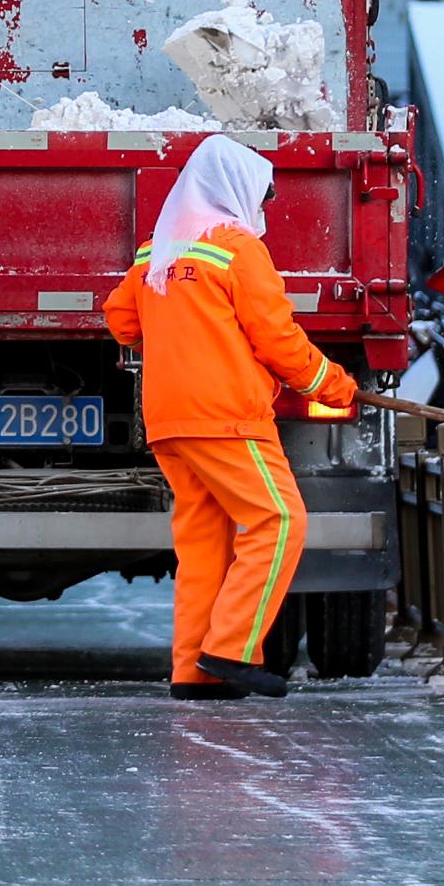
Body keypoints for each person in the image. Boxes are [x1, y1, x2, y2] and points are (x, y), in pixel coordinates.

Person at [103, 135, 361, 699]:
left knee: (204, 544)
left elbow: (121, 320)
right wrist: (334, 385)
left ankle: (194, 674)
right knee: (280, 522)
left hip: (170, 420)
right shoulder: (237, 249)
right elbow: (278, 339)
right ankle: (231, 650)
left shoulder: (157, 250)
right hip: (226, 417)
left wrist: (181, 327)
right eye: (263, 196)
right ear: (239, 190)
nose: (264, 208)